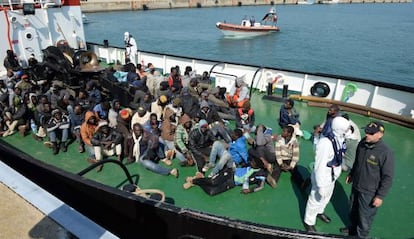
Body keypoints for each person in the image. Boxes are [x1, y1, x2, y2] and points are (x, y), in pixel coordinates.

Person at [340, 121, 394, 238]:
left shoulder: (385, 153)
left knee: (365, 218)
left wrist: (380, 196)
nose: (367, 135)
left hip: (370, 191)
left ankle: (361, 236)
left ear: (380, 134)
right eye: (366, 132)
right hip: (356, 186)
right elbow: (357, 162)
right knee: (353, 211)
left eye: (371, 133)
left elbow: (387, 177)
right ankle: (352, 230)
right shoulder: (362, 144)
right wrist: (352, 174)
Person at [303, 116, 351, 232]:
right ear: (339, 129)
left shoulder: (339, 138)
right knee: (316, 198)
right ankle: (309, 221)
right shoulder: (325, 143)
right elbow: (319, 166)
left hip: (332, 175)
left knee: (326, 197)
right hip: (323, 177)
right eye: (345, 129)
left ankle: (320, 212)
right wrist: (320, 185)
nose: (347, 132)